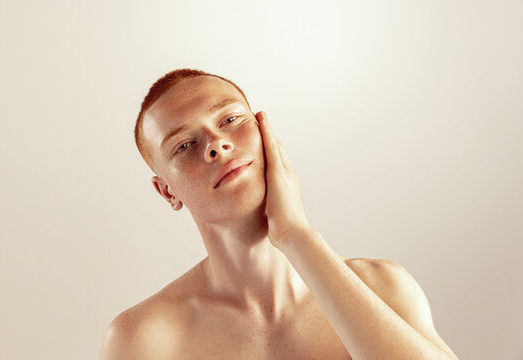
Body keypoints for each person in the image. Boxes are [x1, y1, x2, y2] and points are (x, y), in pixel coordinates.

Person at [99, 68, 459, 359]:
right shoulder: (145, 340)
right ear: (167, 191)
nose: (216, 145)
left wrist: (296, 237)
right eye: (184, 145)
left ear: (264, 132)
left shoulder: (383, 288)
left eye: (230, 120)